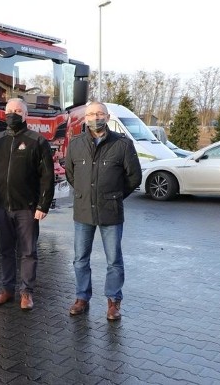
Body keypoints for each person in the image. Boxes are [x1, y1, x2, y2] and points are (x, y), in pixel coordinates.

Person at [65, 101, 142, 321]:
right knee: (80, 259)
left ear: (107, 118)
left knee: (114, 260)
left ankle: (113, 302)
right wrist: (84, 194)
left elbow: (134, 177)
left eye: (99, 113)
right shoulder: (76, 144)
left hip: (111, 211)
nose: (95, 117)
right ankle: (82, 297)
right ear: (85, 118)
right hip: (83, 211)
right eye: (91, 114)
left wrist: (114, 196)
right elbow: (71, 175)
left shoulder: (123, 145)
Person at [0, 98, 55, 311]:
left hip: (27, 208)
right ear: (4, 113)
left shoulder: (36, 141)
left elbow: (47, 177)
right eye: (10, 110)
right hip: (2, 207)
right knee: (5, 250)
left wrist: (43, 206)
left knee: (28, 252)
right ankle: (7, 290)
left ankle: (27, 293)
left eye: (18, 111)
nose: (13, 114)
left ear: (25, 115)